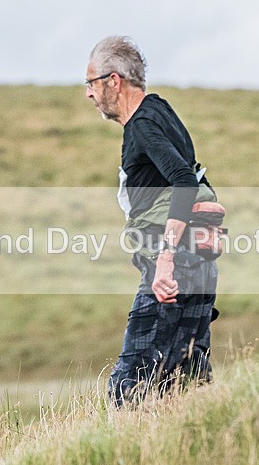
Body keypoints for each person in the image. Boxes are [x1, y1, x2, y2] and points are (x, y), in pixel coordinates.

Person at [85, 36, 219, 408]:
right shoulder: (160, 110)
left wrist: (165, 260)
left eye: (91, 83)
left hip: (174, 265)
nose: (89, 94)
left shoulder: (142, 125)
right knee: (186, 381)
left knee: (128, 386)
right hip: (200, 265)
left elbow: (184, 180)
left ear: (114, 81)